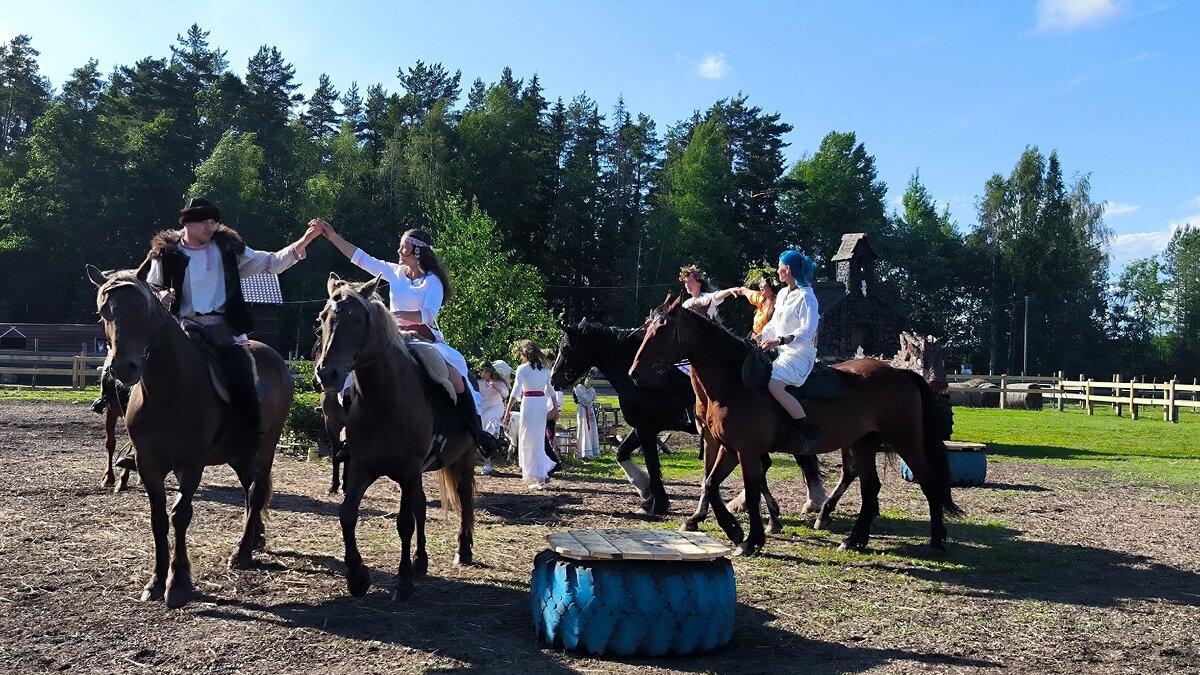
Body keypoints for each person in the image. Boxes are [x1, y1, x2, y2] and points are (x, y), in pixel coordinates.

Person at [140, 197, 320, 462]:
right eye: (205, 221)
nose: (211, 226)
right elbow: (150, 289)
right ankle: (140, 443)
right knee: (142, 369)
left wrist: (305, 241)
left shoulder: (228, 250)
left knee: (244, 377)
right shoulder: (166, 254)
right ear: (187, 222)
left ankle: (245, 438)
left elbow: (271, 262)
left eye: (214, 221)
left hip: (223, 328)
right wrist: (161, 297)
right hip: (180, 326)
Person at [311, 218, 488, 453]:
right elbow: (361, 258)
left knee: (456, 375)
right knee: (351, 375)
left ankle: (476, 431)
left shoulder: (432, 281)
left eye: (403, 247)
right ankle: (351, 435)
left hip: (423, 339)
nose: (398, 251)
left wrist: (392, 313)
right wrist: (332, 236)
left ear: (417, 250)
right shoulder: (395, 272)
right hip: (394, 338)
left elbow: (426, 315)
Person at [758, 250, 824, 454]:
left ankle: (806, 430)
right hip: (780, 350)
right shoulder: (783, 294)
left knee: (775, 385)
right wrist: (759, 335)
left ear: (787, 270)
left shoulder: (807, 297)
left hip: (799, 353)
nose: (777, 271)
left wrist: (780, 340)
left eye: (779, 267)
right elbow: (775, 323)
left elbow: (807, 330)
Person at [502, 340, 559, 489]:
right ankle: (540, 475)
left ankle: (539, 476)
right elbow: (551, 391)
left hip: (529, 404)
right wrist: (555, 408)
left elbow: (515, 392)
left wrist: (507, 411)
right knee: (538, 440)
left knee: (528, 439)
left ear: (525, 354)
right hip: (540, 404)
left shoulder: (522, 369)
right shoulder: (545, 370)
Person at [727, 266, 777, 340]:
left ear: (771, 286)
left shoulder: (777, 307)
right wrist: (742, 290)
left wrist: (760, 337)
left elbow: (775, 329)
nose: (759, 285)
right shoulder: (762, 299)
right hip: (754, 337)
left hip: (767, 343)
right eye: (760, 282)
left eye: (763, 282)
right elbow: (749, 293)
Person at [477, 362, 510, 476]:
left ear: (489, 372)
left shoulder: (498, 382)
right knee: (481, 434)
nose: (481, 374)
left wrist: (496, 387)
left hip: (495, 407)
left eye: (484, 372)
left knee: (490, 428)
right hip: (482, 409)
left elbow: (505, 394)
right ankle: (487, 462)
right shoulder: (478, 383)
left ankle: (494, 436)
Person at [573, 371, 601, 459]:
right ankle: (585, 452)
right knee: (584, 429)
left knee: (592, 429)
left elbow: (594, 398)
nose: (590, 381)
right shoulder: (579, 387)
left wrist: (590, 389)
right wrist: (589, 390)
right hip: (583, 410)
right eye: (588, 378)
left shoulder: (590, 388)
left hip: (590, 410)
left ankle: (593, 450)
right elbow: (587, 399)